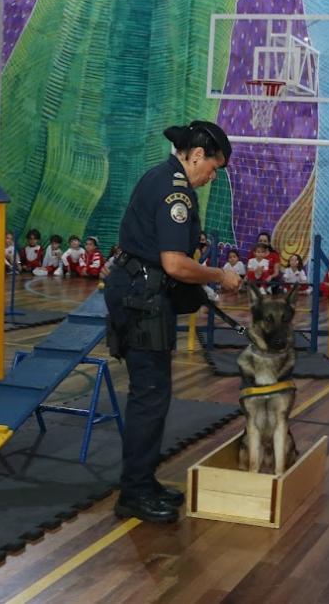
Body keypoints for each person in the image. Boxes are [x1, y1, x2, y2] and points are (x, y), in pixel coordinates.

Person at [104, 120, 240, 523]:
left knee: (153, 394)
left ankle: (143, 482)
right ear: (196, 155)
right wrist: (219, 276)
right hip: (141, 298)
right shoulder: (174, 190)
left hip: (141, 291)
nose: (210, 176)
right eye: (212, 168)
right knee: (150, 396)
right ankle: (134, 493)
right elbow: (174, 263)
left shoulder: (161, 176)